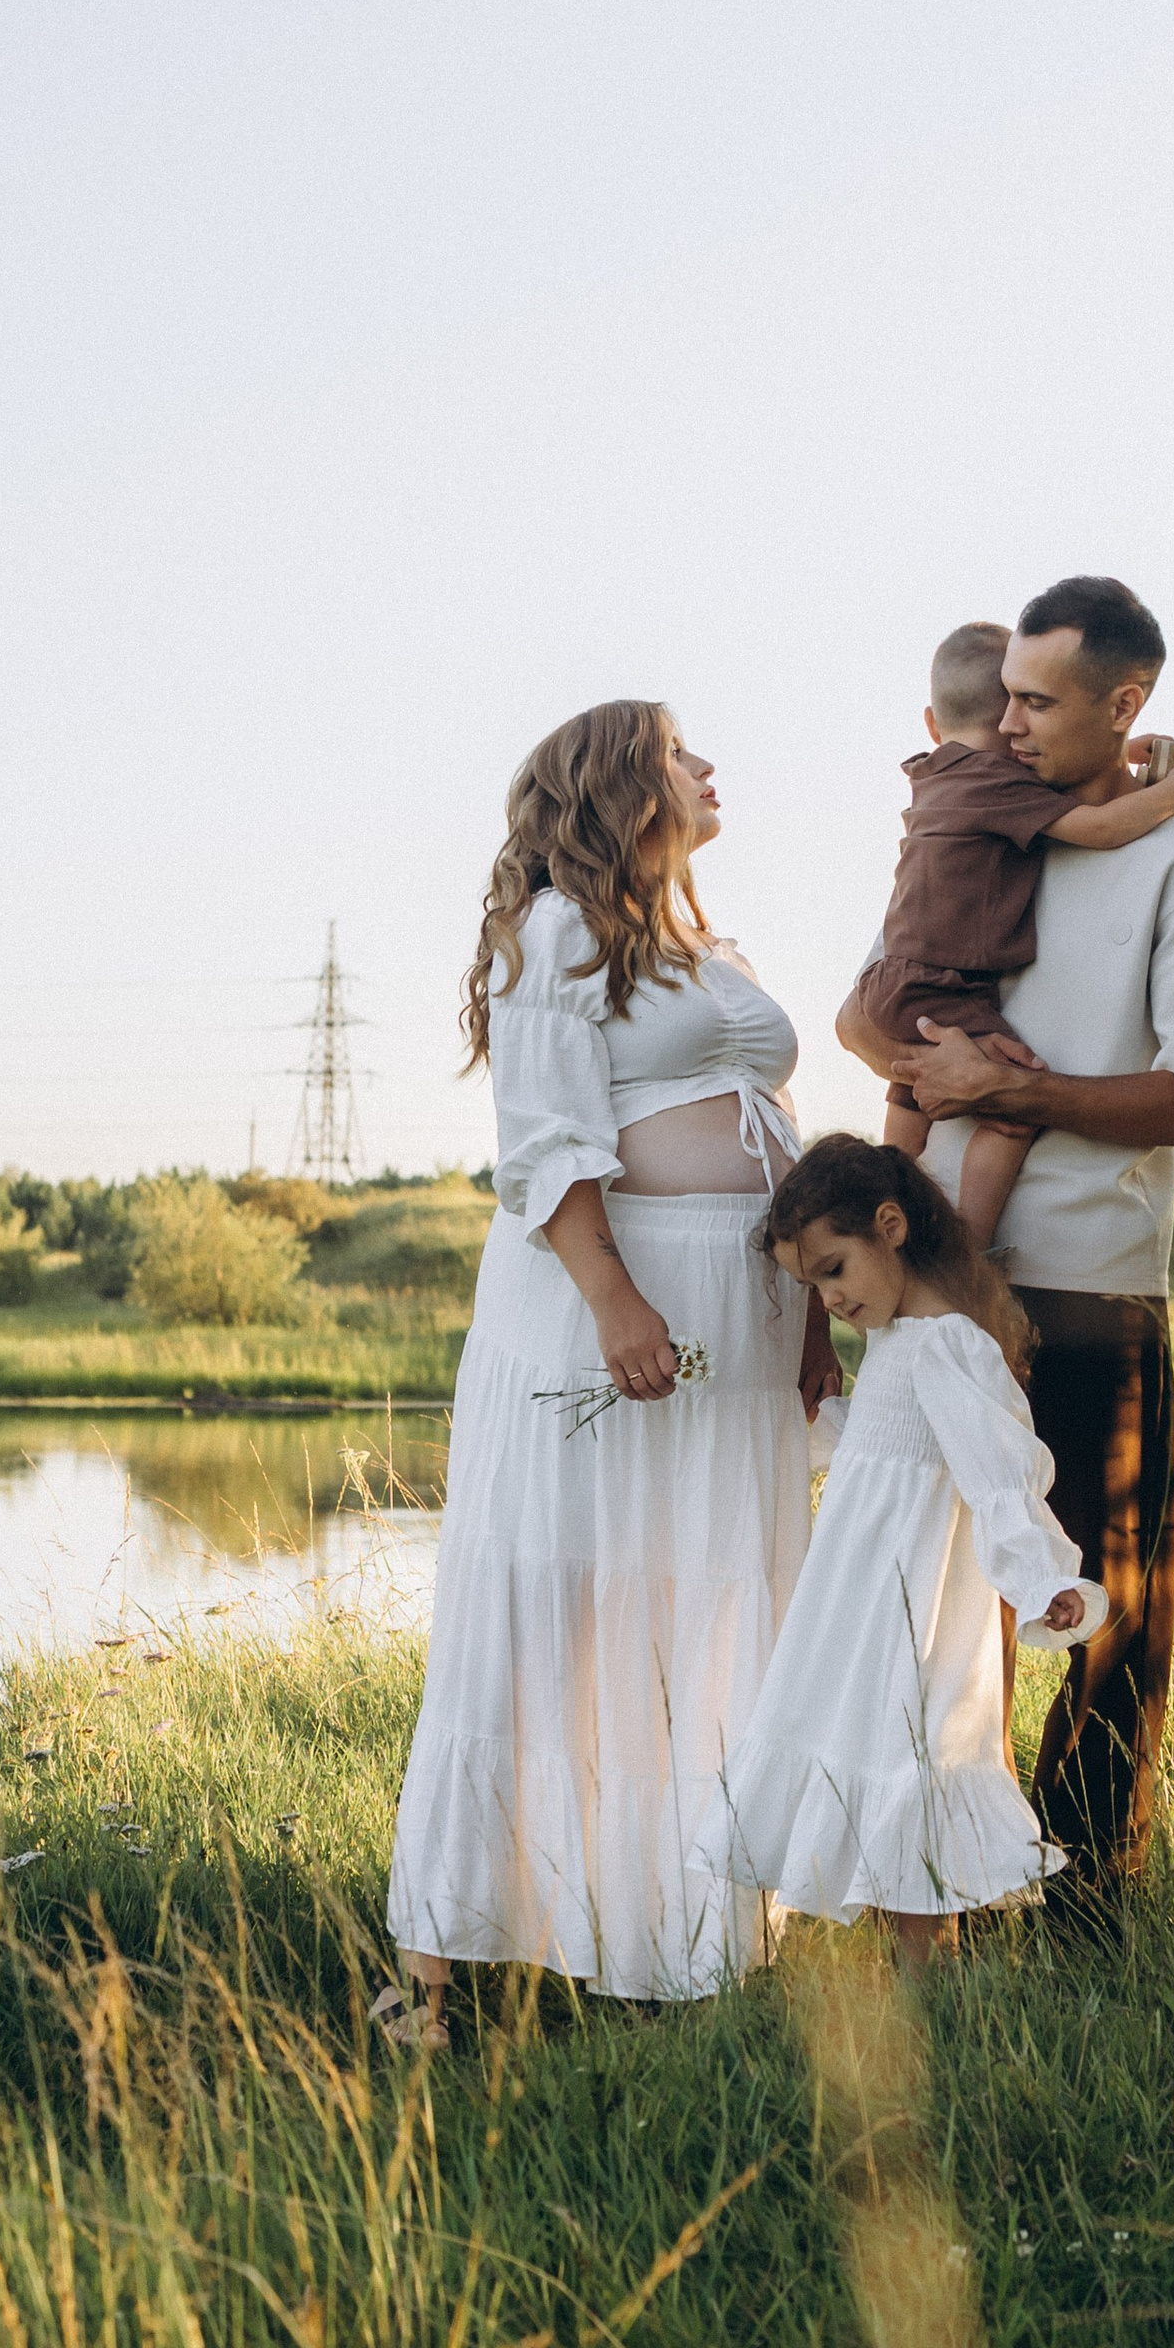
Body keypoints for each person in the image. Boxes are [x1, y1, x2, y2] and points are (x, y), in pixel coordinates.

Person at [384, 702, 840, 2040]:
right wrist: (615, 1303)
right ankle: (435, 1979)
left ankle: (679, 1933)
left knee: (708, 1601)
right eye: (685, 754)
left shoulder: (711, 941)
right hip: (603, 1298)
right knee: (548, 1605)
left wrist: (809, 1306)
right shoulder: (557, 934)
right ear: (623, 788)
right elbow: (542, 1144)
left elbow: (778, 1125)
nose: (711, 769)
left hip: (742, 1306)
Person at [837, 576, 1174, 1932]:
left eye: (1038, 700)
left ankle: (1088, 1897)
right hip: (939, 1285)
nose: (1006, 723)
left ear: (1123, 707)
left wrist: (1007, 1091)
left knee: (1103, 1592)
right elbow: (865, 1010)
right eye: (1001, 692)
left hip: (1085, 1286)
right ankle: (947, 1870)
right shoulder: (986, 822)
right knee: (942, 1589)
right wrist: (931, 1068)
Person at [723, 1135, 1101, 1974]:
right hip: (862, 1593)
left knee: (914, 1750)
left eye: (833, 1270)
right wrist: (816, 1420)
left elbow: (999, 1474)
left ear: (890, 1226)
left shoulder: (949, 1346)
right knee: (875, 1742)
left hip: (918, 1600)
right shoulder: (898, 1340)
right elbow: (888, 1451)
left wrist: (1043, 1578)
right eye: (811, 1284)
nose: (829, 1299)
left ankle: (923, 1969)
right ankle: (913, 1962)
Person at [848, 616, 1174, 1249]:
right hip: (944, 987)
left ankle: (890, 1221)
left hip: (896, 981)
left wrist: (1120, 750)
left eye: (1035, 705)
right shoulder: (1000, 782)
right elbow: (1098, 826)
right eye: (1014, 709)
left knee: (908, 1097)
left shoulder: (936, 778)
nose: (1020, 733)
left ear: (933, 723)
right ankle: (972, 1247)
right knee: (1008, 1118)